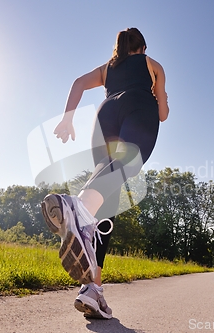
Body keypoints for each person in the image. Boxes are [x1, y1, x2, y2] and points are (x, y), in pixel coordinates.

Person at [41, 27, 169, 319]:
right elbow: (162, 114)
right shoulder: (152, 65)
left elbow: (77, 83)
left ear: (118, 47)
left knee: (106, 203)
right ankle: (78, 209)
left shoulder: (107, 69)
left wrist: (67, 119)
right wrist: (162, 96)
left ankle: (93, 290)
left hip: (105, 113)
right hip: (139, 106)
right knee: (128, 162)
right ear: (143, 47)